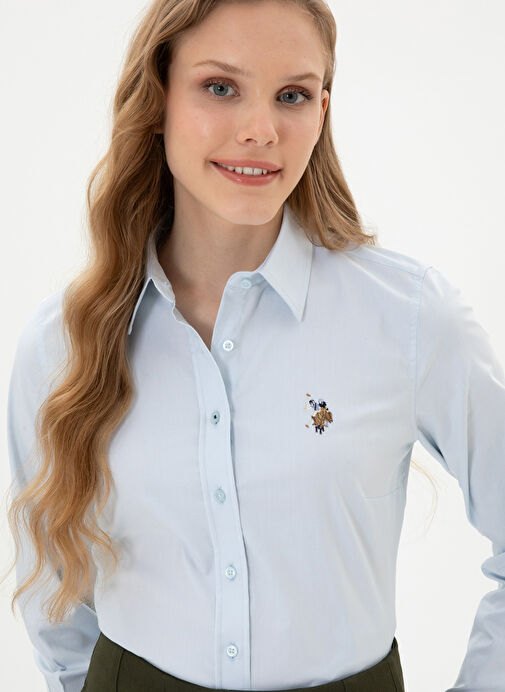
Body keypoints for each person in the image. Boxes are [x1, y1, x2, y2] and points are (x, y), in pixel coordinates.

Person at [4, 0, 505, 691]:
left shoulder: (410, 317)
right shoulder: (62, 342)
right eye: (220, 87)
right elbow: (52, 593)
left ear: (321, 111)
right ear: (158, 99)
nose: (260, 130)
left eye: (291, 95)